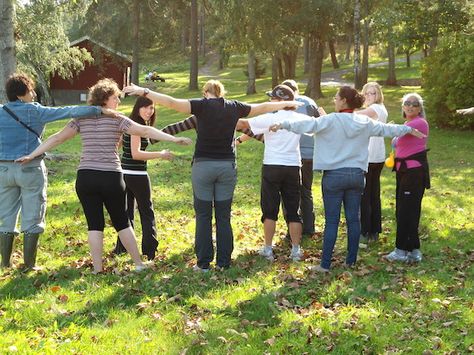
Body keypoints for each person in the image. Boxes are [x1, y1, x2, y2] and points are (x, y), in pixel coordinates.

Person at [123, 80, 302, 272]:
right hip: (227, 167)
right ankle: (224, 262)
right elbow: (262, 107)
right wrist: (285, 104)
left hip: (203, 167)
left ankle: (203, 263)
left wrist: (144, 91)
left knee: (203, 215)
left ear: (206, 93)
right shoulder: (234, 107)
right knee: (223, 216)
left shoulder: (200, 107)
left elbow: (172, 102)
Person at [16, 79, 192, 273]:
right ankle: (139, 264)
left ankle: (97, 269)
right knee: (122, 222)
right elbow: (144, 130)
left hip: (86, 178)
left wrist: (32, 155)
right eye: (115, 97)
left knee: (94, 224)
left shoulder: (81, 119)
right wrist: (174, 139)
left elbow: (57, 138)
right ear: (105, 99)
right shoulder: (118, 119)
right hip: (111, 177)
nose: (118, 101)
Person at [270, 86, 426, 272]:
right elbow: (385, 129)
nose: (334, 100)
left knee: (332, 221)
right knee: (354, 220)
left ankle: (325, 264)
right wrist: (406, 130)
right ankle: (350, 261)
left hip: (334, 177)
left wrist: (283, 124)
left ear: (344, 100)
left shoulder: (329, 120)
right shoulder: (363, 121)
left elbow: (307, 125)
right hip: (357, 176)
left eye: (336, 97)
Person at [0, 72, 114, 269]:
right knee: (33, 213)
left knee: (6, 215)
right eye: (30, 90)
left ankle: (5, 263)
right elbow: (68, 111)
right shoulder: (36, 112)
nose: (34, 94)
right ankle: (29, 265)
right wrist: (98, 110)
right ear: (21, 94)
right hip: (30, 168)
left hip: (3, 169)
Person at [236, 79, 319, 238]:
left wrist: (218, 117)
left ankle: (268, 248)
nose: (269, 101)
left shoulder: (269, 117)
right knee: (294, 211)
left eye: (272, 98)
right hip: (293, 166)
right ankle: (295, 249)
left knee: (269, 211)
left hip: (272, 166)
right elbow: (318, 126)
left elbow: (242, 124)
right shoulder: (298, 118)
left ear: (279, 101)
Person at [113, 96, 173, 261]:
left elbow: (116, 145)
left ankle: (122, 249)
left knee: (126, 213)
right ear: (137, 108)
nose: (149, 111)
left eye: (152, 108)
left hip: (124, 174)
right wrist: (160, 154)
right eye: (145, 107)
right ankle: (150, 251)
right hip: (136, 175)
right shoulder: (136, 126)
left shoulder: (130, 124)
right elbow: (136, 153)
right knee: (147, 212)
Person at [384, 93, 430, 263]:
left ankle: (402, 250)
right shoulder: (407, 124)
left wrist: (389, 129)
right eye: (407, 103)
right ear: (403, 107)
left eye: (415, 104)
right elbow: (399, 136)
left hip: (413, 173)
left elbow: (397, 133)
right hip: (403, 172)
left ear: (420, 108)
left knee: (407, 211)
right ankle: (412, 249)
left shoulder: (419, 123)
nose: (410, 106)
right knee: (404, 210)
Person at [358, 82, 388, 244]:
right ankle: (374, 230)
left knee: (366, 196)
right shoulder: (380, 109)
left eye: (373, 93)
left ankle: (366, 230)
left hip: (371, 159)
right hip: (375, 156)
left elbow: (353, 115)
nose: (370, 96)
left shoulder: (376, 109)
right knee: (373, 194)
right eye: (367, 93)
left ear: (378, 95)